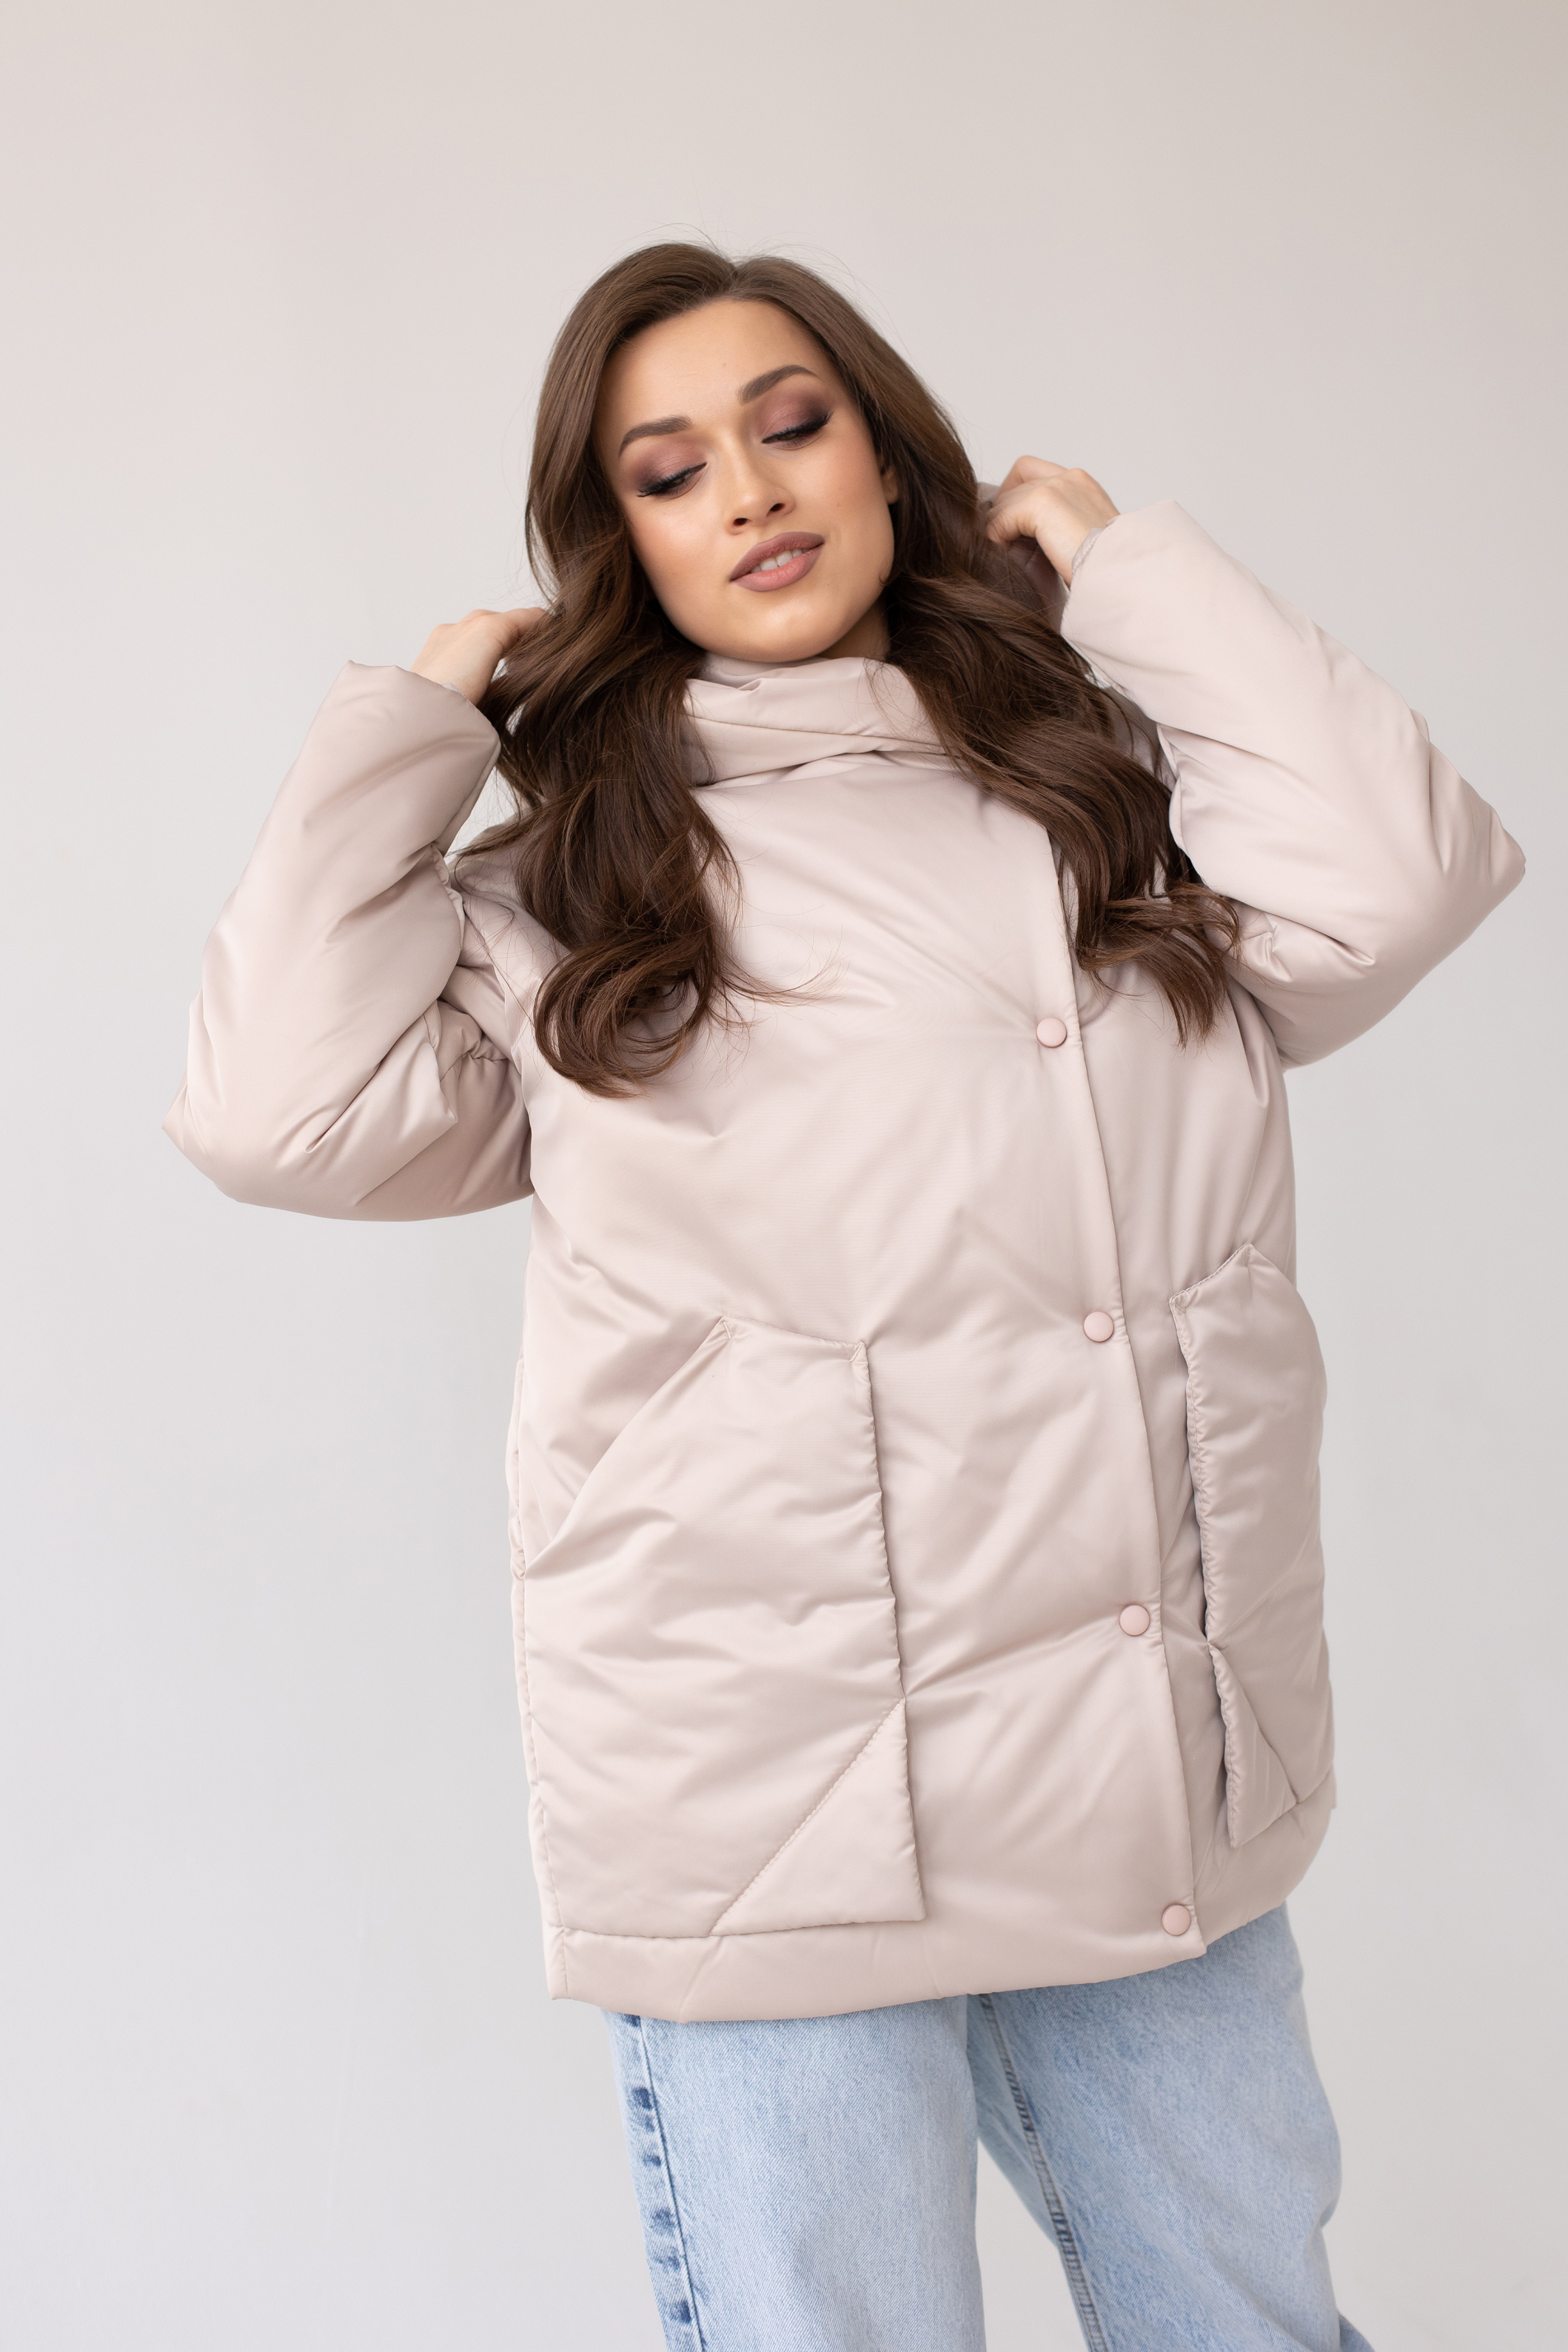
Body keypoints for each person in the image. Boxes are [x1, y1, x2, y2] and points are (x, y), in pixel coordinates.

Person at [165, 243, 1523, 2350]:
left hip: (1138, 1755)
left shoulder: (1109, 814)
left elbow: (1400, 876)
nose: (749, 490)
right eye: (668, 471)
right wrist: (411, 733)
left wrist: (1129, 576)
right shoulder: (574, 895)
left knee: (1249, 2319)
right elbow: (276, 1115)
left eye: (791, 424)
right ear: (617, 541)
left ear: (887, 457)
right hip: (770, 1801)